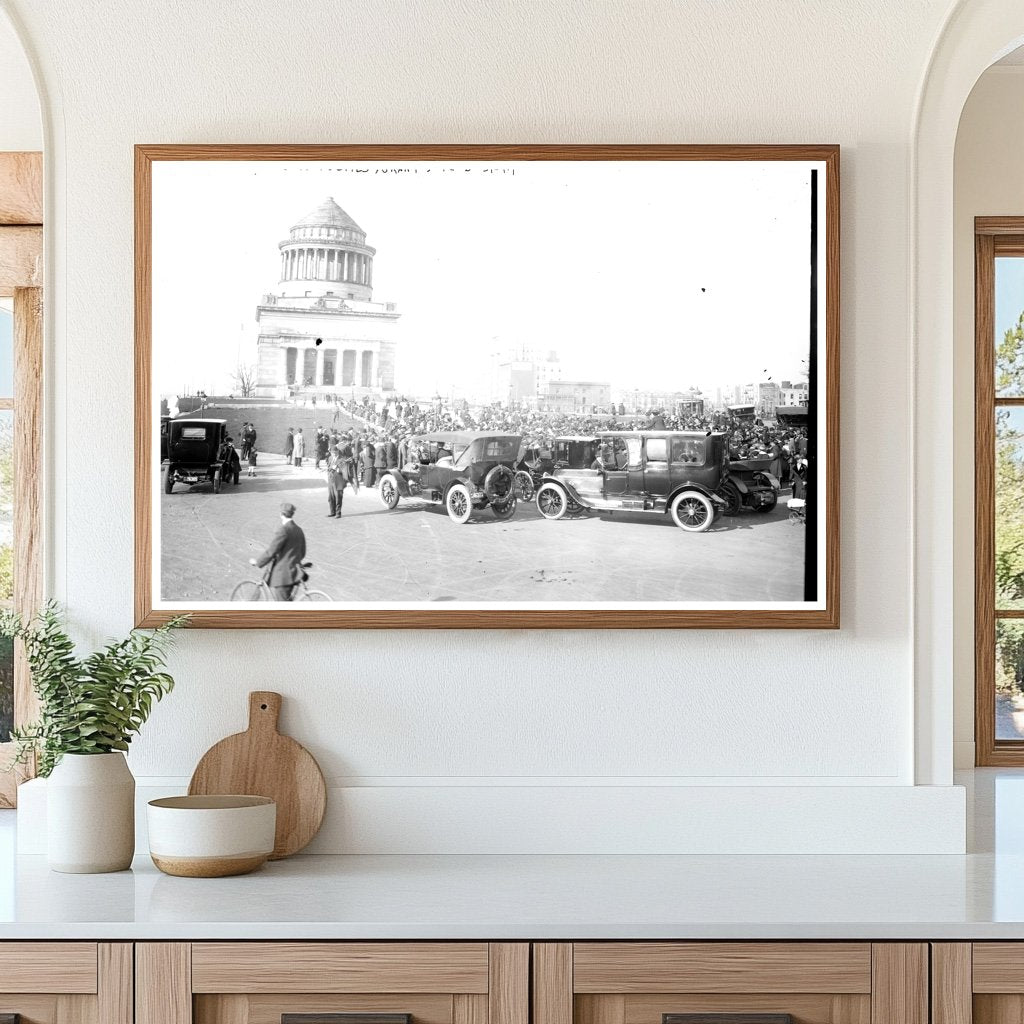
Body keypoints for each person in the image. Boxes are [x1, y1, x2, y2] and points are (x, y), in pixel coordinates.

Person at [250, 503, 307, 601]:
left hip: (284, 575)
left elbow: (271, 551)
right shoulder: (299, 530)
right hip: (295, 574)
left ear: (281, 514)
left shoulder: (283, 530)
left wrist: (258, 562)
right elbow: (302, 552)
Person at [326, 445, 346, 518]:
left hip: (338, 480)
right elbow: (328, 467)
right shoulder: (330, 458)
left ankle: (338, 513)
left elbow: (345, 470)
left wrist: (338, 469)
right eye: (332, 452)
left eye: (335, 452)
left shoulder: (342, 459)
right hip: (330, 480)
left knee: (338, 497)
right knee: (331, 497)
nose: (333, 454)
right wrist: (329, 469)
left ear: (337, 452)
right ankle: (332, 512)